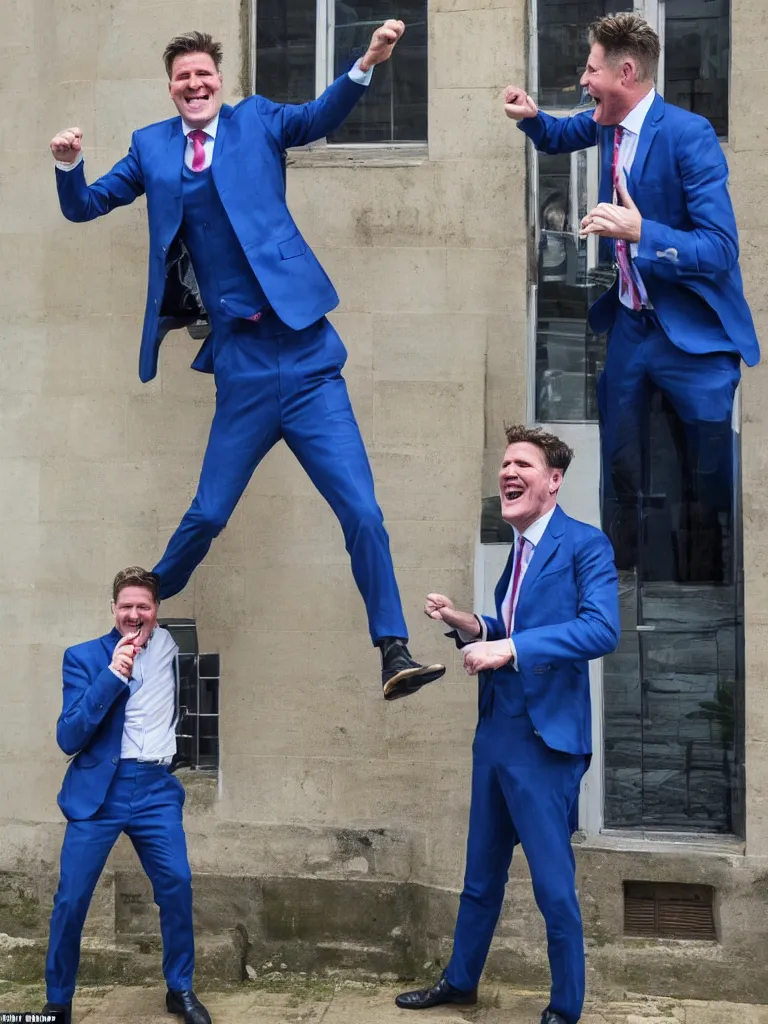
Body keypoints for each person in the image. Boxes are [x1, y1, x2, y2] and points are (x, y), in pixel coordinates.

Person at [49, 24, 445, 702]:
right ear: (171, 89)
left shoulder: (257, 120)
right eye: (183, 79)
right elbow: (87, 207)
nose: (195, 85)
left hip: (311, 359)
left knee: (364, 512)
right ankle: (147, 597)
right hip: (244, 369)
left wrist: (366, 64)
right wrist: (67, 165)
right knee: (207, 513)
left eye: (204, 75)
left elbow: (320, 116)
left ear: (219, 80)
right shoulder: (151, 148)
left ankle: (392, 648)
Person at [503, 12, 759, 579]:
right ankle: (626, 571)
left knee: (709, 468)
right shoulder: (604, 121)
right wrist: (530, 117)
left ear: (626, 72)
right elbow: (560, 133)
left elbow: (720, 247)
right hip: (631, 324)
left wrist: (642, 233)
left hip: (691, 331)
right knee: (622, 458)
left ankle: (712, 570)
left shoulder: (687, 136)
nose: (583, 80)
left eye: (592, 69)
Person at [395, 426, 620, 1024]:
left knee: (553, 887)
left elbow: (602, 630)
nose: (507, 474)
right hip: (496, 732)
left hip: (544, 743)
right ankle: (461, 981)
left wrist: (510, 647)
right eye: (503, 465)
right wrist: (470, 624)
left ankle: (565, 1008)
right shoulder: (516, 552)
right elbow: (507, 631)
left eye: (522, 464)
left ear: (554, 481)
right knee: (479, 876)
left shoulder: (586, 545)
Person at [43, 568, 210, 1024]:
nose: (134, 614)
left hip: (155, 789)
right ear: (113, 609)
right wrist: (112, 675)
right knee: (72, 898)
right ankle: (58, 1000)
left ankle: (180, 989)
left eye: (143, 606)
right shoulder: (82, 657)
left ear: (156, 611)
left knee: (176, 886)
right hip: (100, 794)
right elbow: (67, 736)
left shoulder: (175, 649)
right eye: (125, 606)